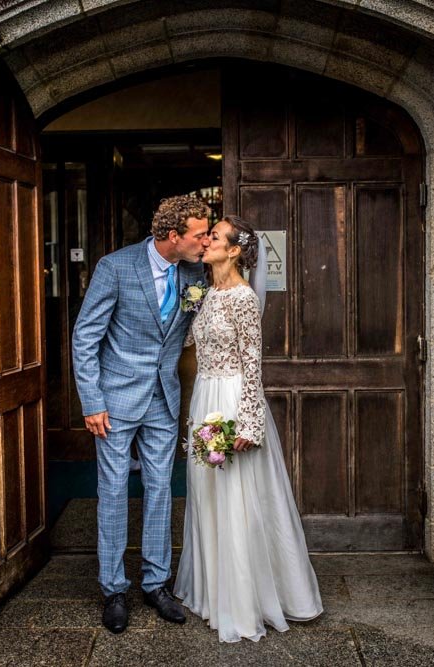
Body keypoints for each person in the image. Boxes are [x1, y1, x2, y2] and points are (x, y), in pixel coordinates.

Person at [174, 215, 323, 642]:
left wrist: (250, 423)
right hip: (205, 398)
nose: (206, 242)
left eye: (215, 237)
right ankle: (213, 590)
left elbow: (253, 363)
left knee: (239, 498)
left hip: (233, 399)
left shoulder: (240, 298)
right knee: (208, 496)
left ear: (234, 250)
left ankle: (244, 600)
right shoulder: (205, 293)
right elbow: (189, 341)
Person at [72, 194, 211, 634]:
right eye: (199, 235)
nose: (205, 242)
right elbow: (85, 336)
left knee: (160, 489)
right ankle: (113, 588)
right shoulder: (115, 267)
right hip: (113, 401)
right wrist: (91, 400)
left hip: (163, 399)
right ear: (174, 236)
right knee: (112, 490)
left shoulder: (195, 273)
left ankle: (155, 583)